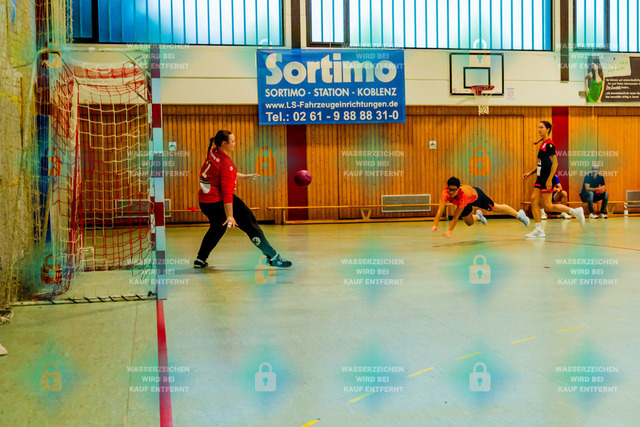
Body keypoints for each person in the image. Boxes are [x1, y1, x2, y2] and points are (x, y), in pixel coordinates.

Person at [194, 130, 292, 268]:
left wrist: (245, 177)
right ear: (224, 143)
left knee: (217, 228)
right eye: (233, 141)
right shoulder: (226, 163)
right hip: (218, 201)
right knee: (251, 225)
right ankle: (274, 257)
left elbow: (224, 174)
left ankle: (200, 259)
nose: (235, 143)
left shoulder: (213, 152)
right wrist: (230, 216)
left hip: (206, 202)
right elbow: (227, 192)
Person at [523, 121, 585, 238]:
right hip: (539, 178)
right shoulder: (542, 144)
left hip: (546, 178)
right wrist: (530, 173)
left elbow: (555, 163)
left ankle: (576, 212)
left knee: (548, 206)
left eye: (541, 127)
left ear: (547, 129)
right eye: (538, 127)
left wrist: (549, 179)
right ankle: (538, 229)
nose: (539, 129)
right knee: (534, 201)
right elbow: (540, 164)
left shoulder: (549, 144)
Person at [431, 176, 530, 238]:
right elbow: (440, 209)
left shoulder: (464, 195)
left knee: (495, 208)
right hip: (466, 203)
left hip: (478, 197)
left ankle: (519, 215)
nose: (451, 192)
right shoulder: (445, 193)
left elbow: (456, 216)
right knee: (469, 223)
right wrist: (435, 225)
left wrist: (449, 231)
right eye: (450, 189)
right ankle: (479, 216)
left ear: (459, 188)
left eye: (454, 190)